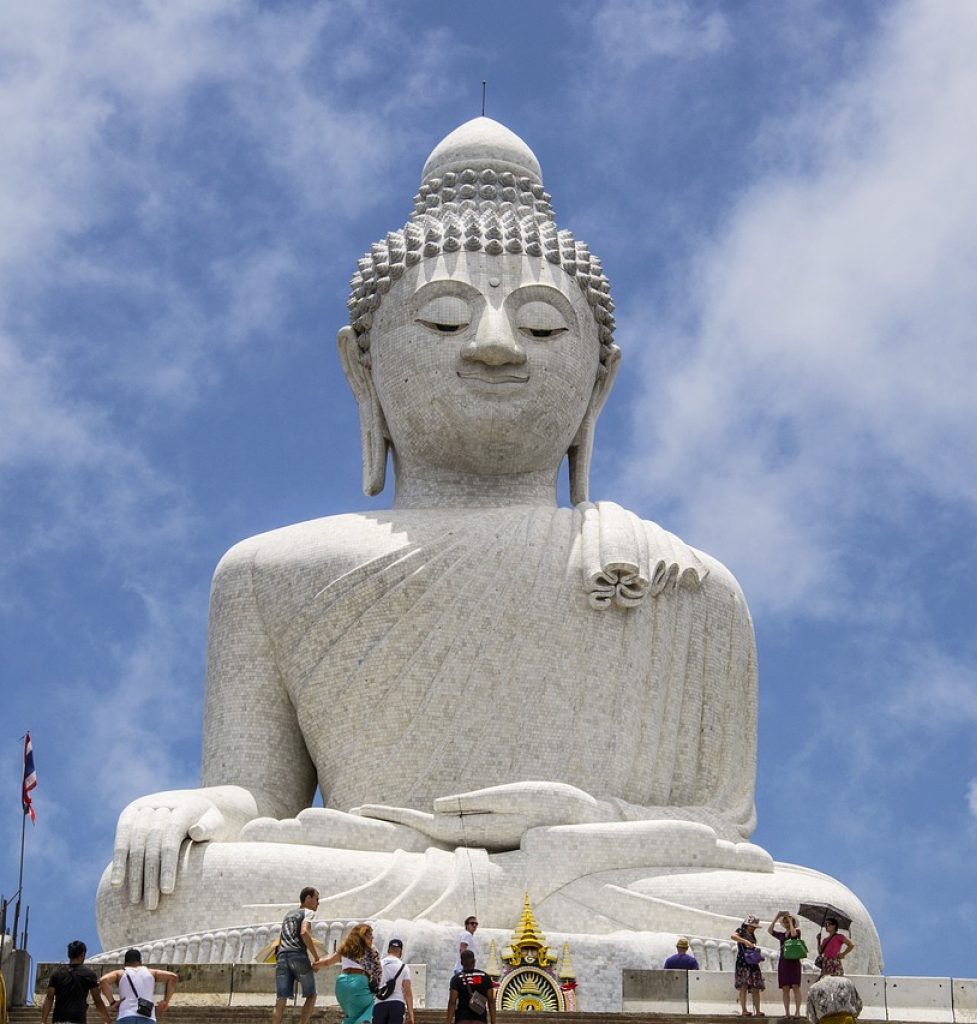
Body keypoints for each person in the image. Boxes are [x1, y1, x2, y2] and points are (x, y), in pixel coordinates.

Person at [96, 117, 882, 981]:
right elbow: (258, 795)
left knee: (830, 917)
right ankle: (520, 939)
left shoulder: (685, 582)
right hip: (376, 868)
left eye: (542, 328)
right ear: (362, 369)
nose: (496, 346)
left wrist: (572, 824)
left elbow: (716, 828)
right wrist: (197, 811)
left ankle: (455, 936)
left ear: (599, 382)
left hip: (599, 874)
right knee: (151, 892)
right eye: (443, 320)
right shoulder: (268, 572)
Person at [272, 887, 321, 1024]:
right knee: (311, 994)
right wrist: (317, 957)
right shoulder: (308, 912)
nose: (318, 903)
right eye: (316, 899)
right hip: (297, 954)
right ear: (308, 898)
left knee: (281, 999)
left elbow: (280, 940)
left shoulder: (288, 915)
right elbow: (304, 933)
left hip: (282, 956)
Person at [319, 922, 381, 1024]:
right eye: (370, 935)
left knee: (351, 1015)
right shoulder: (371, 950)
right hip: (359, 982)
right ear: (362, 936)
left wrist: (314, 965)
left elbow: (327, 962)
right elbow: (378, 973)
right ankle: (364, 1021)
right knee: (375, 1003)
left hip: (341, 983)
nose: (372, 937)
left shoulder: (345, 948)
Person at [41, 940, 111, 1024]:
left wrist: (43, 1021)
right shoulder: (89, 974)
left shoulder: (57, 974)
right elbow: (97, 1000)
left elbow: (49, 998)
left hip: (59, 1019)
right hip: (78, 1019)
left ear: (69, 955)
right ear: (82, 954)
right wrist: (107, 1019)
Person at [99, 949, 177, 1022]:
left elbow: (103, 980)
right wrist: (166, 1001)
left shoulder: (120, 973)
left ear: (125, 962)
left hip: (126, 1015)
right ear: (140, 962)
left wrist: (112, 1002)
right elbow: (173, 977)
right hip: (147, 1016)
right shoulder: (152, 972)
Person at [770, 911, 804, 1018]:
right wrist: (776, 917)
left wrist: (790, 920)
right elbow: (770, 931)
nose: (786, 923)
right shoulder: (781, 935)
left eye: (787, 921)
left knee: (795, 986)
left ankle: (797, 1011)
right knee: (785, 988)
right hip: (784, 962)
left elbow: (793, 935)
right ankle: (787, 1012)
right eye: (784, 921)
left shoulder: (797, 931)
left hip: (794, 961)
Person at [447, 950, 496, 1024]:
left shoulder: (456, 978)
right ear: (474, 961)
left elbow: (452, 1002)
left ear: (461, 963)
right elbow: (491, 1001)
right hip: (480, 1020)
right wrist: (493, 1022)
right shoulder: (485, 977)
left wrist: (448, 1021)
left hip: (462, 1019)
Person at [374, 938, 414, 1024]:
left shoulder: (378, 964)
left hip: (380, 1003)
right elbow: (408, 992)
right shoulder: (404, 967)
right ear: (401, 952)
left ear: (388, 950)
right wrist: (411, 1015)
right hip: (397, 1004)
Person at [731, 916, 765, 1016]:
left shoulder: (752, 934)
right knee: (743, 986)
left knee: (756, 987)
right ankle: (744, 1010)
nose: (753, 928)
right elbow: (733, 936)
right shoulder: (741, 931)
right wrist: (745, 941)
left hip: (752, 962)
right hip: (743, 962)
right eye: (752, 926)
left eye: (754, 927)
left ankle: (757, 1010)